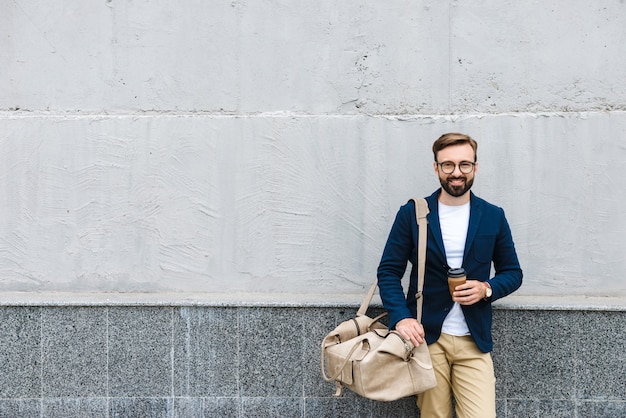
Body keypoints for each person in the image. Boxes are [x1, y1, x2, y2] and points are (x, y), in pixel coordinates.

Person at [377, 132, 523, 418]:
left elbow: (513, 272)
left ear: (475, 168)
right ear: (436, 168)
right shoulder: (413, 213)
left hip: (474, 340)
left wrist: (486, 288)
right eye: (448, 165)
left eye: (465, 165)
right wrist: (401, 317)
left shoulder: (494, 215)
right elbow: (388, 271)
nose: (457, 173)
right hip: (427, 340)